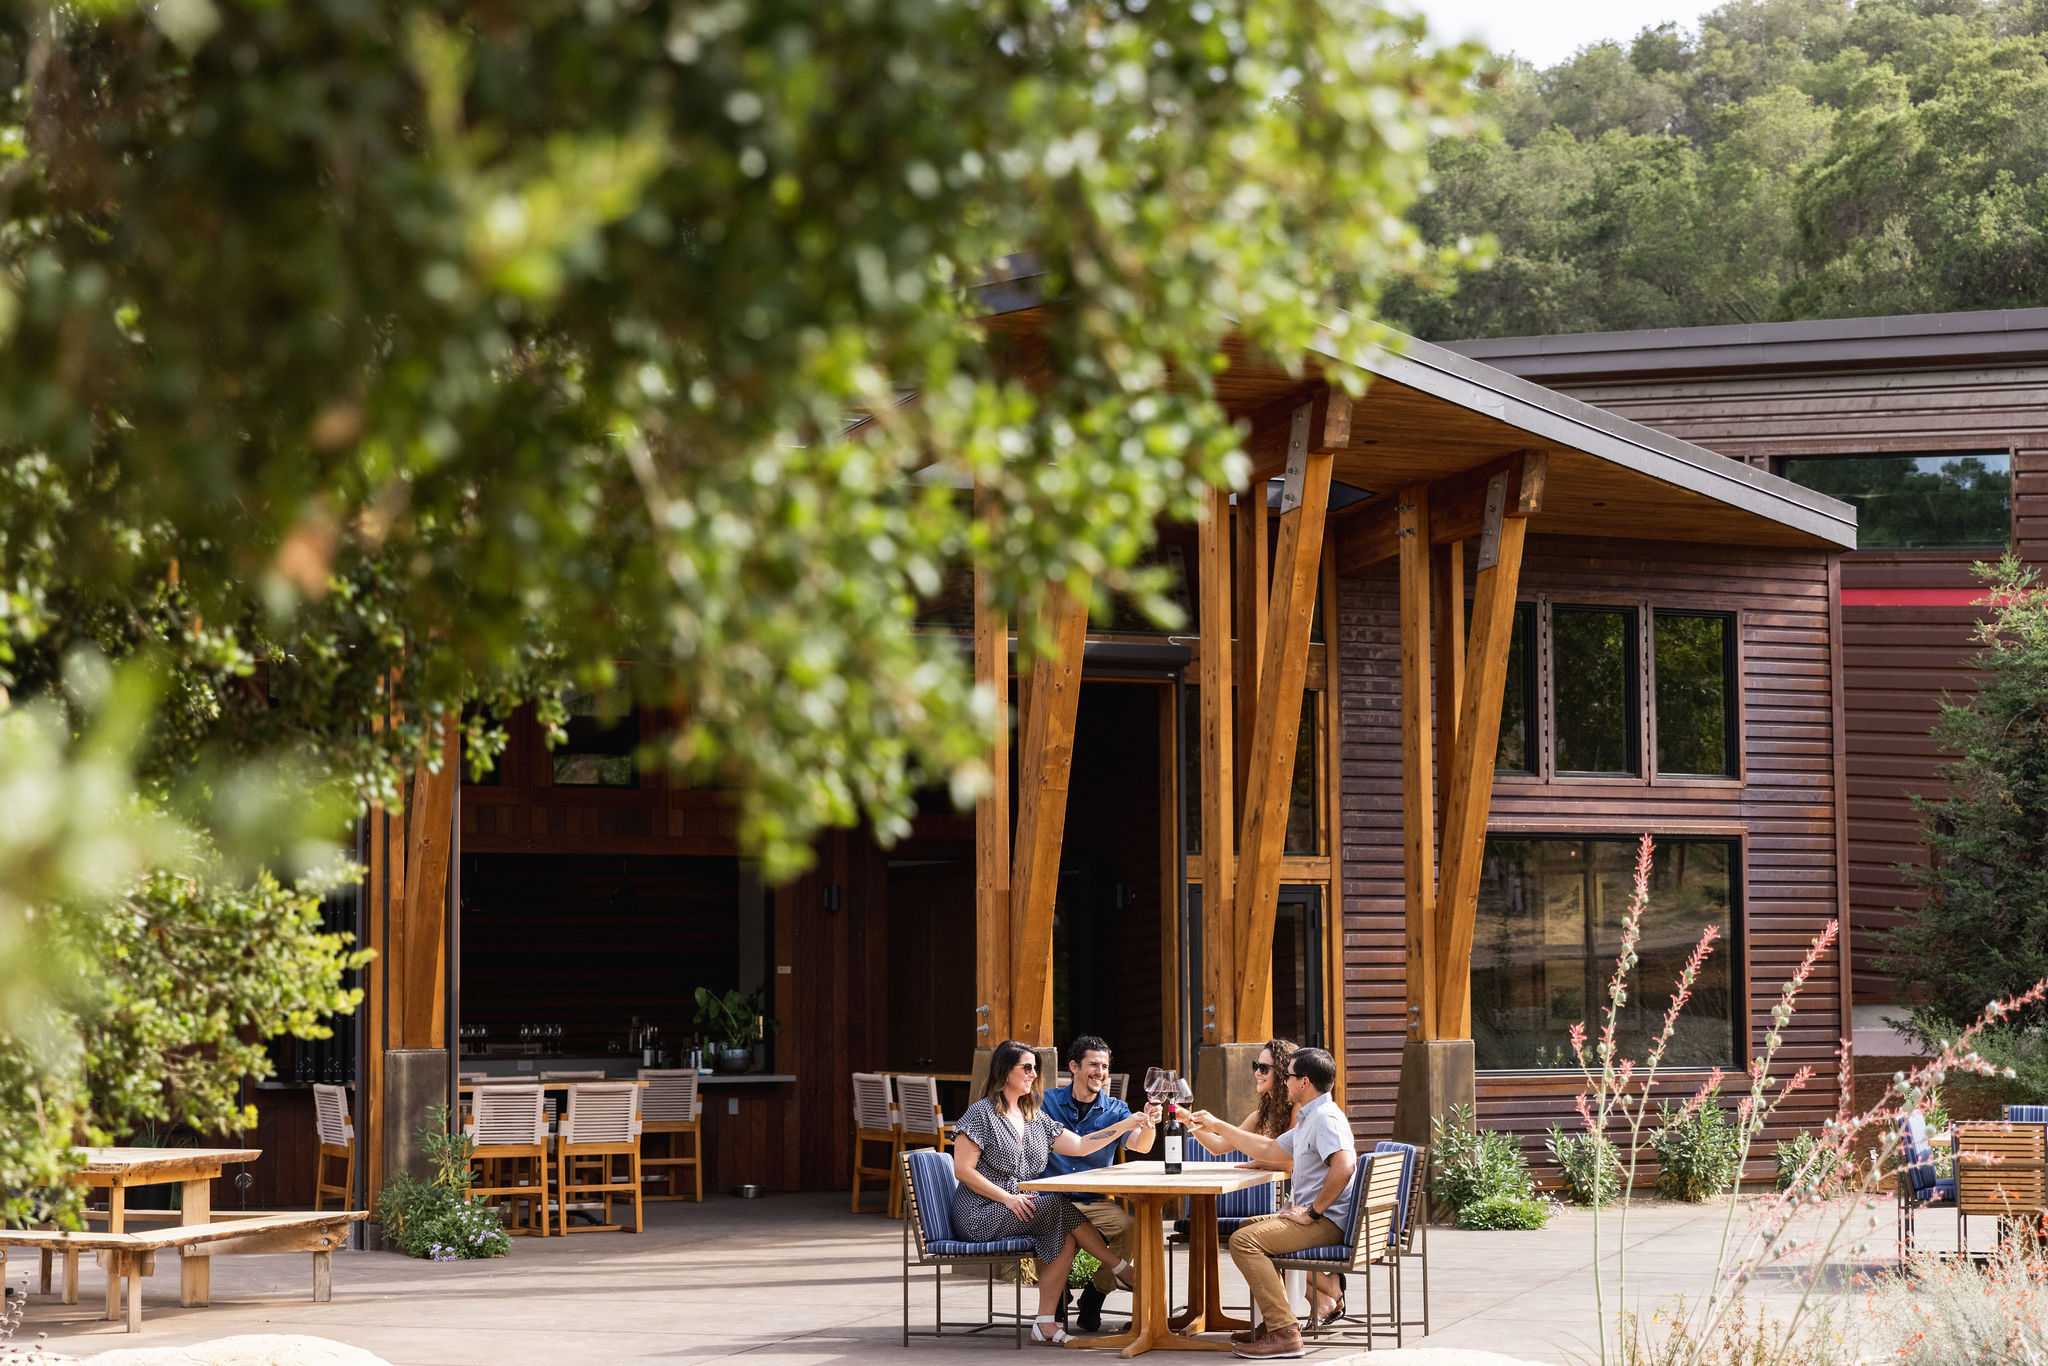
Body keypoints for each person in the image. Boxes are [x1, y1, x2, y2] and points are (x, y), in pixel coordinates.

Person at [951, 1039, 1150, 1346]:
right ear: (1005, 1072)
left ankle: (1045, 1323)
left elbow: (1082, 1146)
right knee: (1055, 1206)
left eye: (1035, 1068)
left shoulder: (1033, 1116)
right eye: (1027, 1068)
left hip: (1023, 1207)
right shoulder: (982, 1113)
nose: (1034, 1074)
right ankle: (1120, 1267)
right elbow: (963, 1170)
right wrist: (1007, 1198)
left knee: (1063, 1232)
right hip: (982, 1212)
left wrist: (1124, 1125)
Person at [1187, 1047, 1356, 1361]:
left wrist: (1314, 1210)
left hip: (1327, 1221)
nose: (1284, 1082)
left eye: (1288, 1076)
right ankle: (1276, 1323)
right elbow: (1270, 1148)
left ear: (1304, 1082)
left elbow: (1344, 1166)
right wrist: (1217, 1126)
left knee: (1244, 1242)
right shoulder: (1310, 1117)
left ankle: (1284, 1333)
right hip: (1319, 1217)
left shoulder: (1325, 1119)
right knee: (1247, 1228)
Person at [1038, 1035, 1160, 1332]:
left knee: (1130, 1228)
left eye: (1104, 1066)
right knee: (1048, 1227)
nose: (1100, 1072)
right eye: (1093, 1064)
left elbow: (1140, 1146)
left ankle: (1095, 1294)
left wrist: (1148, 1125)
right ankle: (1054, 1298)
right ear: (1074, 1067)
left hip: (1093, 1201)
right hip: (1051, 1199)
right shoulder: (1047, 1102)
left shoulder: (1115, 1109)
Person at [1191, 1037, 1297, 1164]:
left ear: (1281, 1072)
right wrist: (1187, 1118)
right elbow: (1218, 1145)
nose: (1257, 1073)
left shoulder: (1299, 1107)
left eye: (1263, 1068)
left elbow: (1291, 1160)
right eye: (1256, 1066)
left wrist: (1258, 1163)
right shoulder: (1262, 1114)